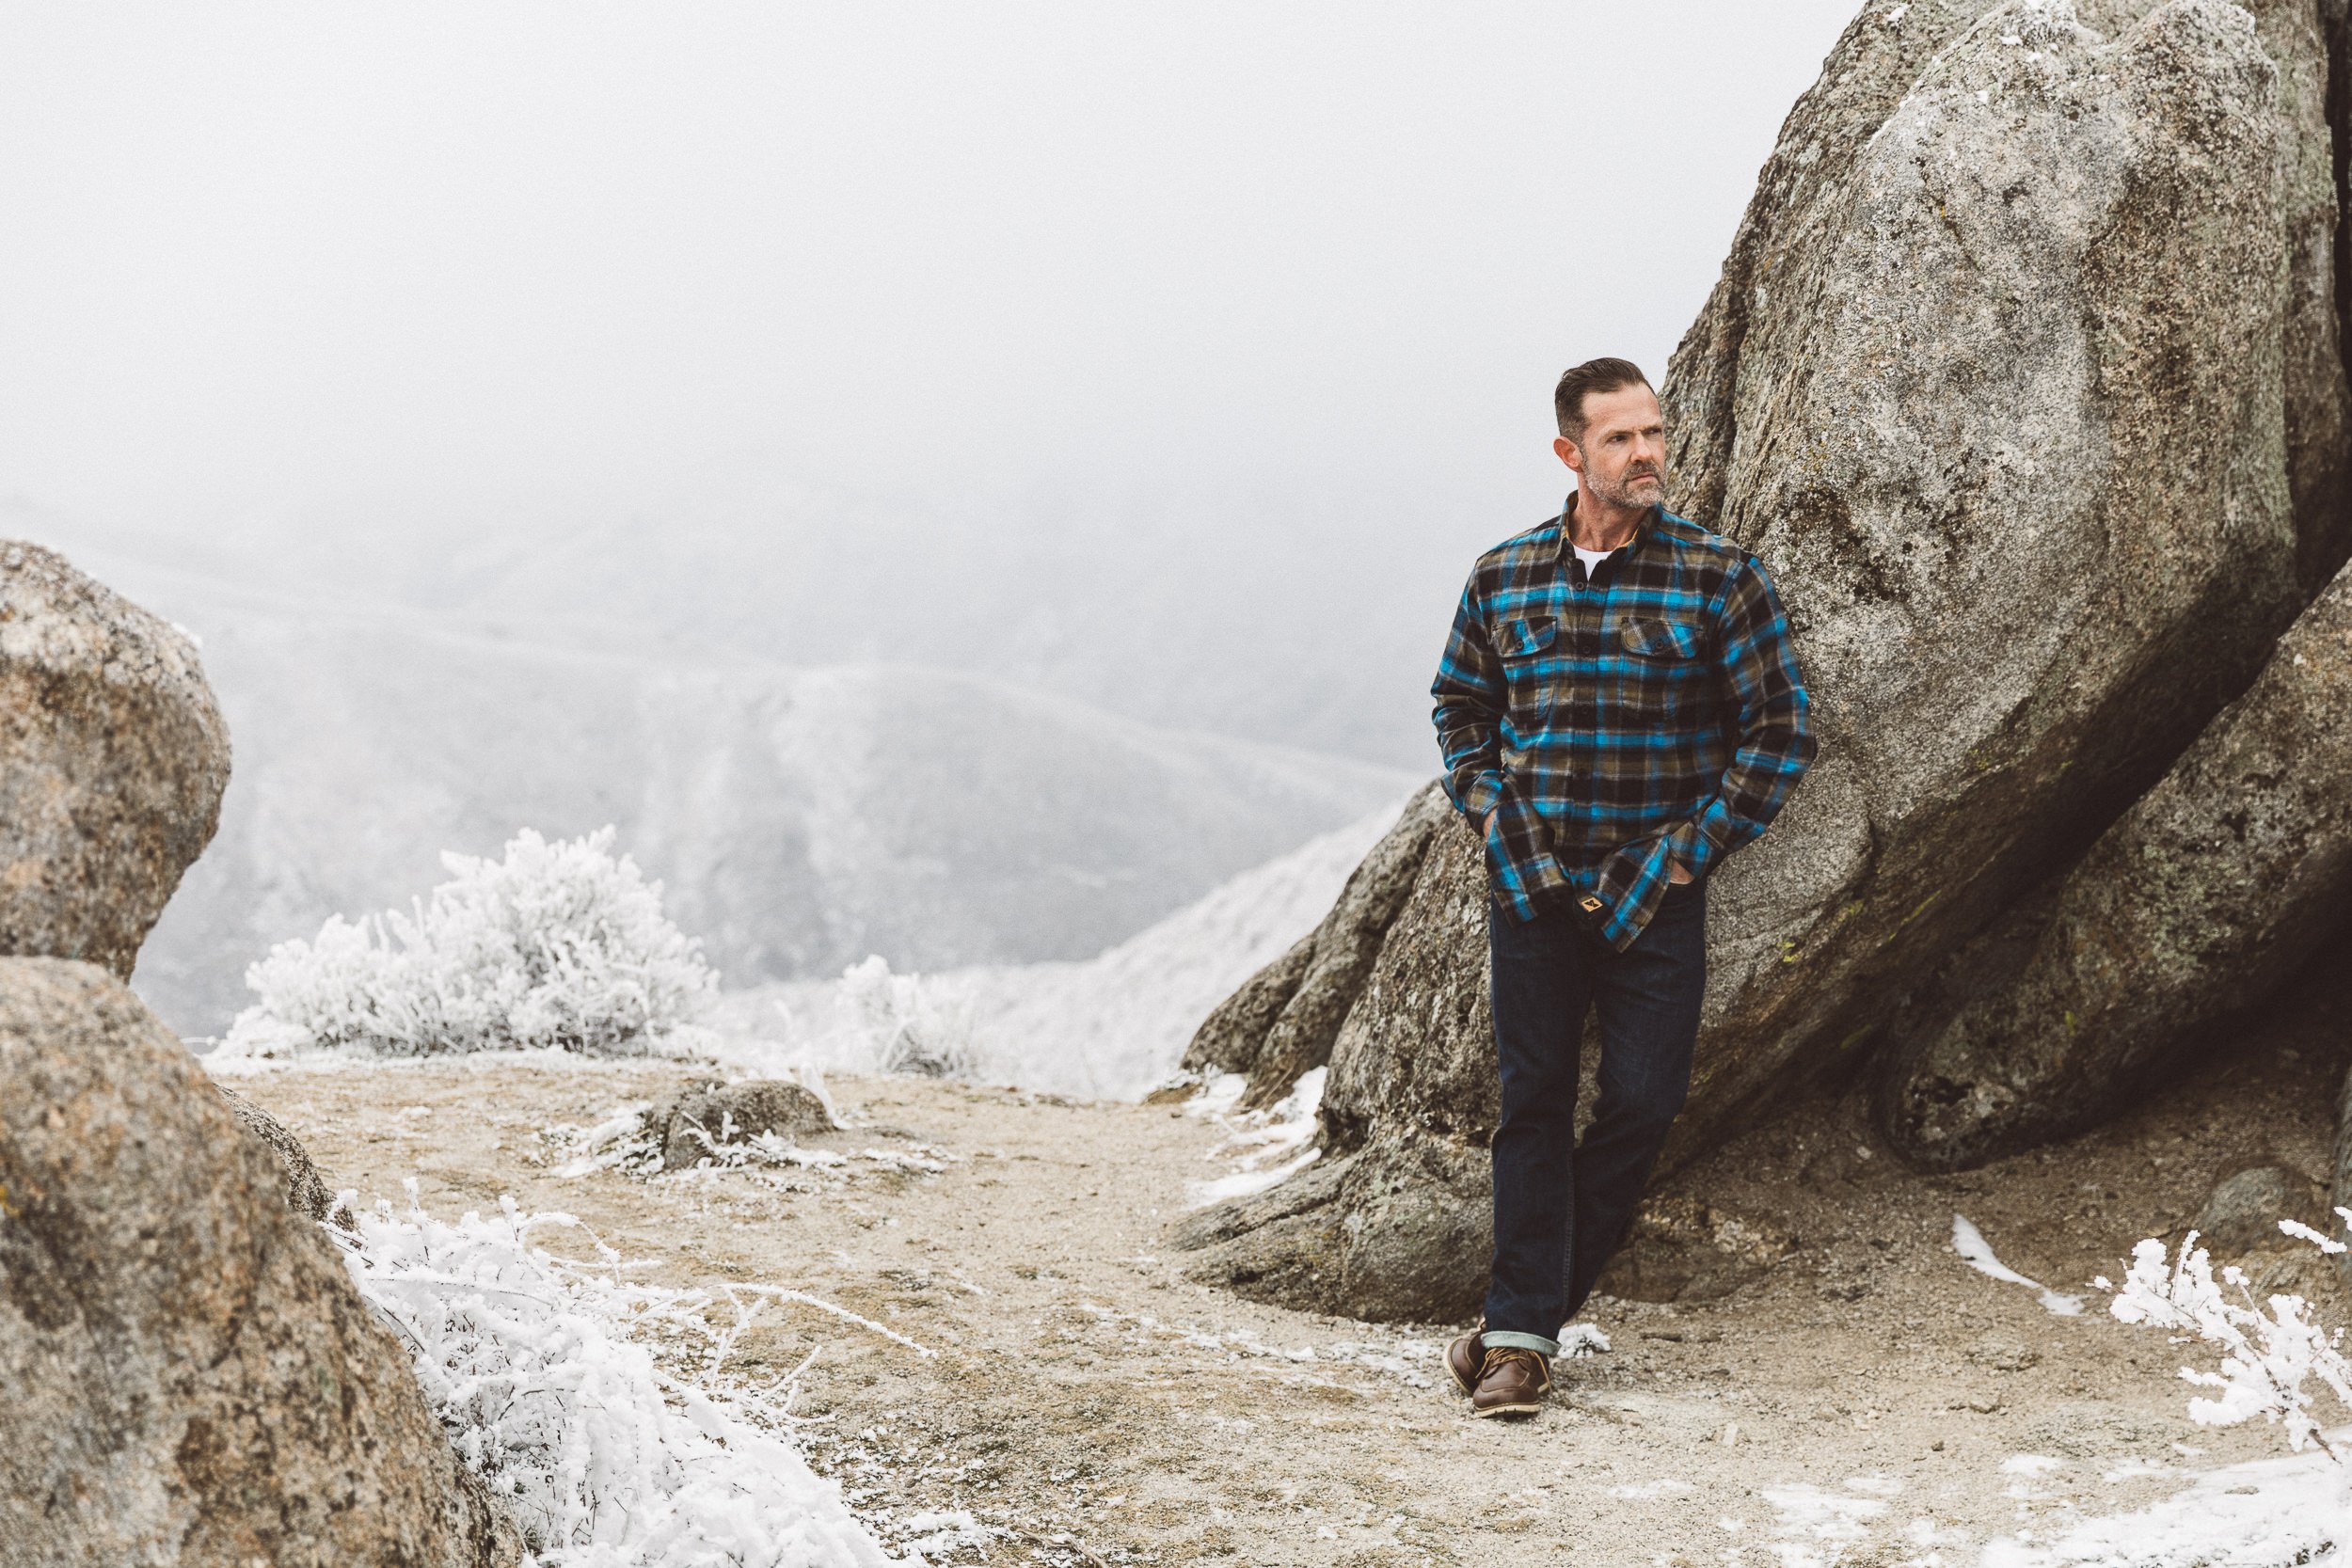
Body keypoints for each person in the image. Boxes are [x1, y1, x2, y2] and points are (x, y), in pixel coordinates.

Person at [1429, 356, 1816, 1418]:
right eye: (1620, 439)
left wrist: (1690, 849)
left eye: (1653, 432)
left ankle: (1519, 1321)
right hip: (1532, 886)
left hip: (1655, 890)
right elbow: (1460, 707)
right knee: (1532, 1104)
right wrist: (1489, 811)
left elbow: (1780, 732)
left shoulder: (1717, 574)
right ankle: (1519, 1342)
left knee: (1643, 1104)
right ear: (1571, 453)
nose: (1646, 453)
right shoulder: (1503, 574)